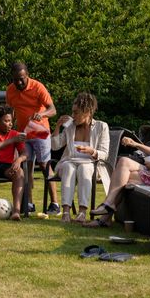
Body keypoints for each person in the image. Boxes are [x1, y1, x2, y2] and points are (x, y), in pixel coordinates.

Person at [5, 61, 59, 215]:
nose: (19, 83)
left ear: (27, 75)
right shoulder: (10, 90)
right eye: (16, 79)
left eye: (21, 79)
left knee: (45, 165)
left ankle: (54, 204)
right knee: (26, 167)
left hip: (40, 132)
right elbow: (10, 111)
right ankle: (29, 203)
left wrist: (41, 114)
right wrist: (10, 126)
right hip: (23, 134)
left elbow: (53, 109)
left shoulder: (38, 87)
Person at [51, 92, 110, 223]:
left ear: (87, 112)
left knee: (84, 168)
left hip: (91, 164)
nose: (72, 116)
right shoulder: (70, 126)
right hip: (69, 162)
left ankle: (82, 213)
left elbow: (105, 154)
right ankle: (66, 213)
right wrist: (57, 127)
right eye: (72, 112)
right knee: (68, 167)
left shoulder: (101, 126)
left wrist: (92, 151)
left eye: (76, 112)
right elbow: (55, 146)